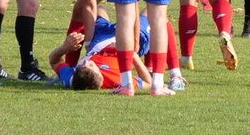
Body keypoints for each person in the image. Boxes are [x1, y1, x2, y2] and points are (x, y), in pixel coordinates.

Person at [48, 9, 177, 92]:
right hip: (128, 43)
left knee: (99, 9)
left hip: (100, 40)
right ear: (100, 77)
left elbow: (54, 60)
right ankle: (173, 72)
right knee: (155, 12)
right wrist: (132, 55)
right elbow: (148, 82)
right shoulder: (116, 80)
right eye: (90, 66)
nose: (86, 62)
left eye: (82, 65)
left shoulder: (73, 79)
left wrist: (65, 48)